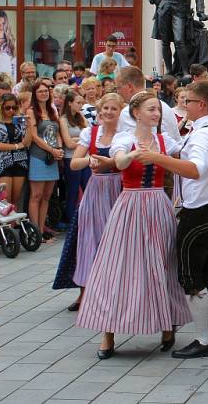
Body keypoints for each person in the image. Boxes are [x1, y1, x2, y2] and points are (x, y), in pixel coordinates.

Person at [135, 80, 208, 359]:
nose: (183, 106)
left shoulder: (203, 134)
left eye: (187, 101)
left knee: (191, 276)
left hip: (200, 212)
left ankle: (204, 339)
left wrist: (156, 158)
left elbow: (195, 169)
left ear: (201, 104)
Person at [75, 91, 190, 359]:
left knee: (163, 263)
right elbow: (118, 160)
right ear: (136, 113)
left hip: (158, 205)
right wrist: (134, 154)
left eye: (158, 110)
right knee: (117, 265)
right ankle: (108, 333)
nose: (156, 114)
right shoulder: (124, 138)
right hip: (129, 204)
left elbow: (185, 156)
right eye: (151, 109)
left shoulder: (165, 140)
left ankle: (167, 324)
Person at [53, 93, 124, 310]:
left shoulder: (126, 135)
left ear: (121, 112)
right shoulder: (90, 133)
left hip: (119, 189)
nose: (109, 112)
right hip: (96, 189)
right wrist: (91, 160)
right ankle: (84, 293)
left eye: (114, 109)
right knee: (88, 240)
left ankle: (116, 293)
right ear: (100, 112)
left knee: (115, 241)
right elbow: (74, 164)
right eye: (105, 109)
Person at [27, 78, 63, 243]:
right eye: (40, 91)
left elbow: (57, 133)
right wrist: (52, 150)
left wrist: (59, 150)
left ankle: (41, 230)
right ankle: (34, 231)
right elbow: (34, 136)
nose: (44, 93)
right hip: (38, 156)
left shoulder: (52, 111)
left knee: (47, 196)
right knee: (36, 195)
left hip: (52, 157)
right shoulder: (31, 111)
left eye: (46, 91)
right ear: (35, 93)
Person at [0, 92, 32, 207]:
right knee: (5, 199)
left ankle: (12, 225)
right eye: (7, 107)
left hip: (20, 161)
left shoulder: (19, 121)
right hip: (2, 161)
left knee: (16, 199)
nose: (11, 110)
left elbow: (27, 143)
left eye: (14, 107)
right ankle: (4, 225)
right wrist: (17, 146)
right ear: (1, 107)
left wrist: (29, 127)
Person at [60, 91, 90, 227]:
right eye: (78, 102)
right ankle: (71, 222)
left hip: (84, 158)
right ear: (70, 103)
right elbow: (68, 143)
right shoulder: (63, 119)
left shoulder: (81, 117)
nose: (81, 105)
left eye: (82, 102)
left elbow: (90, 136)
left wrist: (77, 139)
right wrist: (81, 140)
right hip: (70, 158)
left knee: (88, 188)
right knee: (72, 190)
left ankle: (87, 219)